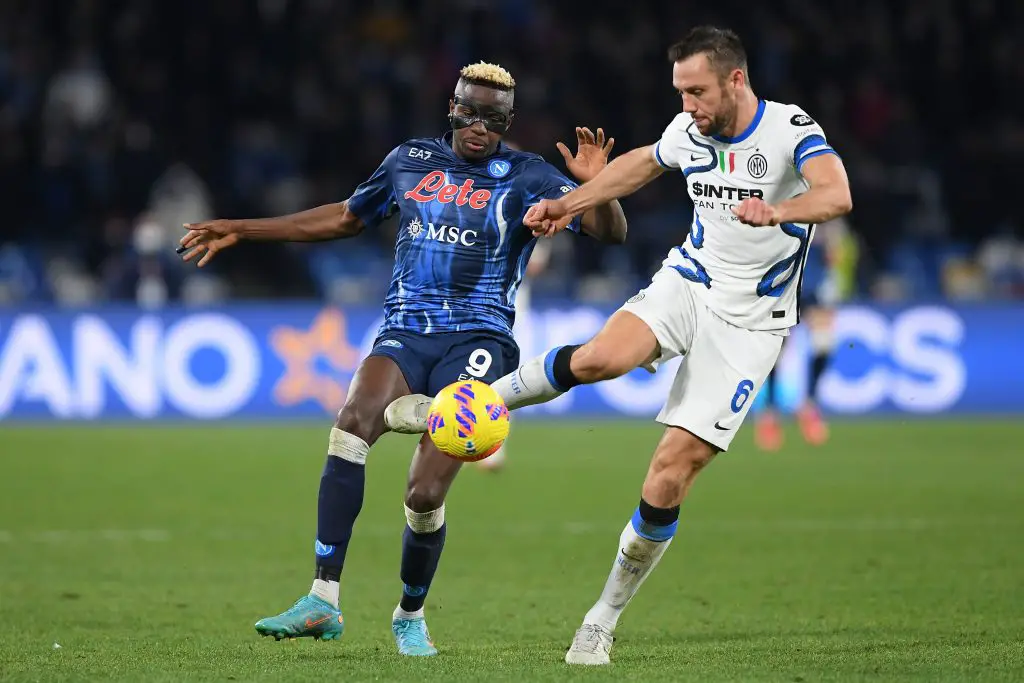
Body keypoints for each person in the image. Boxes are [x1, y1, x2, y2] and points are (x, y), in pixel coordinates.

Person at [384, 27, 852, 665]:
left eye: (698, 92)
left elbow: (837, 193)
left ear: (736, 80)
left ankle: (601, 619)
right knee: (602, 356)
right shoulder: (690, 129)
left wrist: (780, 212)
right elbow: (642, 161)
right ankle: (478, 402)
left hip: (752, 322)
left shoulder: (791, 131)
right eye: (680, 92)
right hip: (690, 280)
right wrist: (570, 201)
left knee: (669, 475)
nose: (688, 105)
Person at [177, 62, 627, 656]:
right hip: (406, 331)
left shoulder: (528, 175)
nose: (479, 126)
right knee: (351, 423)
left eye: (494, 118)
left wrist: (599, 188)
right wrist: (243, 228)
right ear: (452, 107)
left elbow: (609, 233)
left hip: (479, 340)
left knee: (423, 495)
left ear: (508, 123)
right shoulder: (408, 160)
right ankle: (322, 600)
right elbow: (344, 216)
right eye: (470, 111)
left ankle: (409, 612)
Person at [755, 216, 858, 450]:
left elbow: (837, 251)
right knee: (775, 351)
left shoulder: (827, 207)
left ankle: (809, 406)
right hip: (785, 284)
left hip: (815, 285)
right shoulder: (781, 198)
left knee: (824, 343)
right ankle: (769, 415)